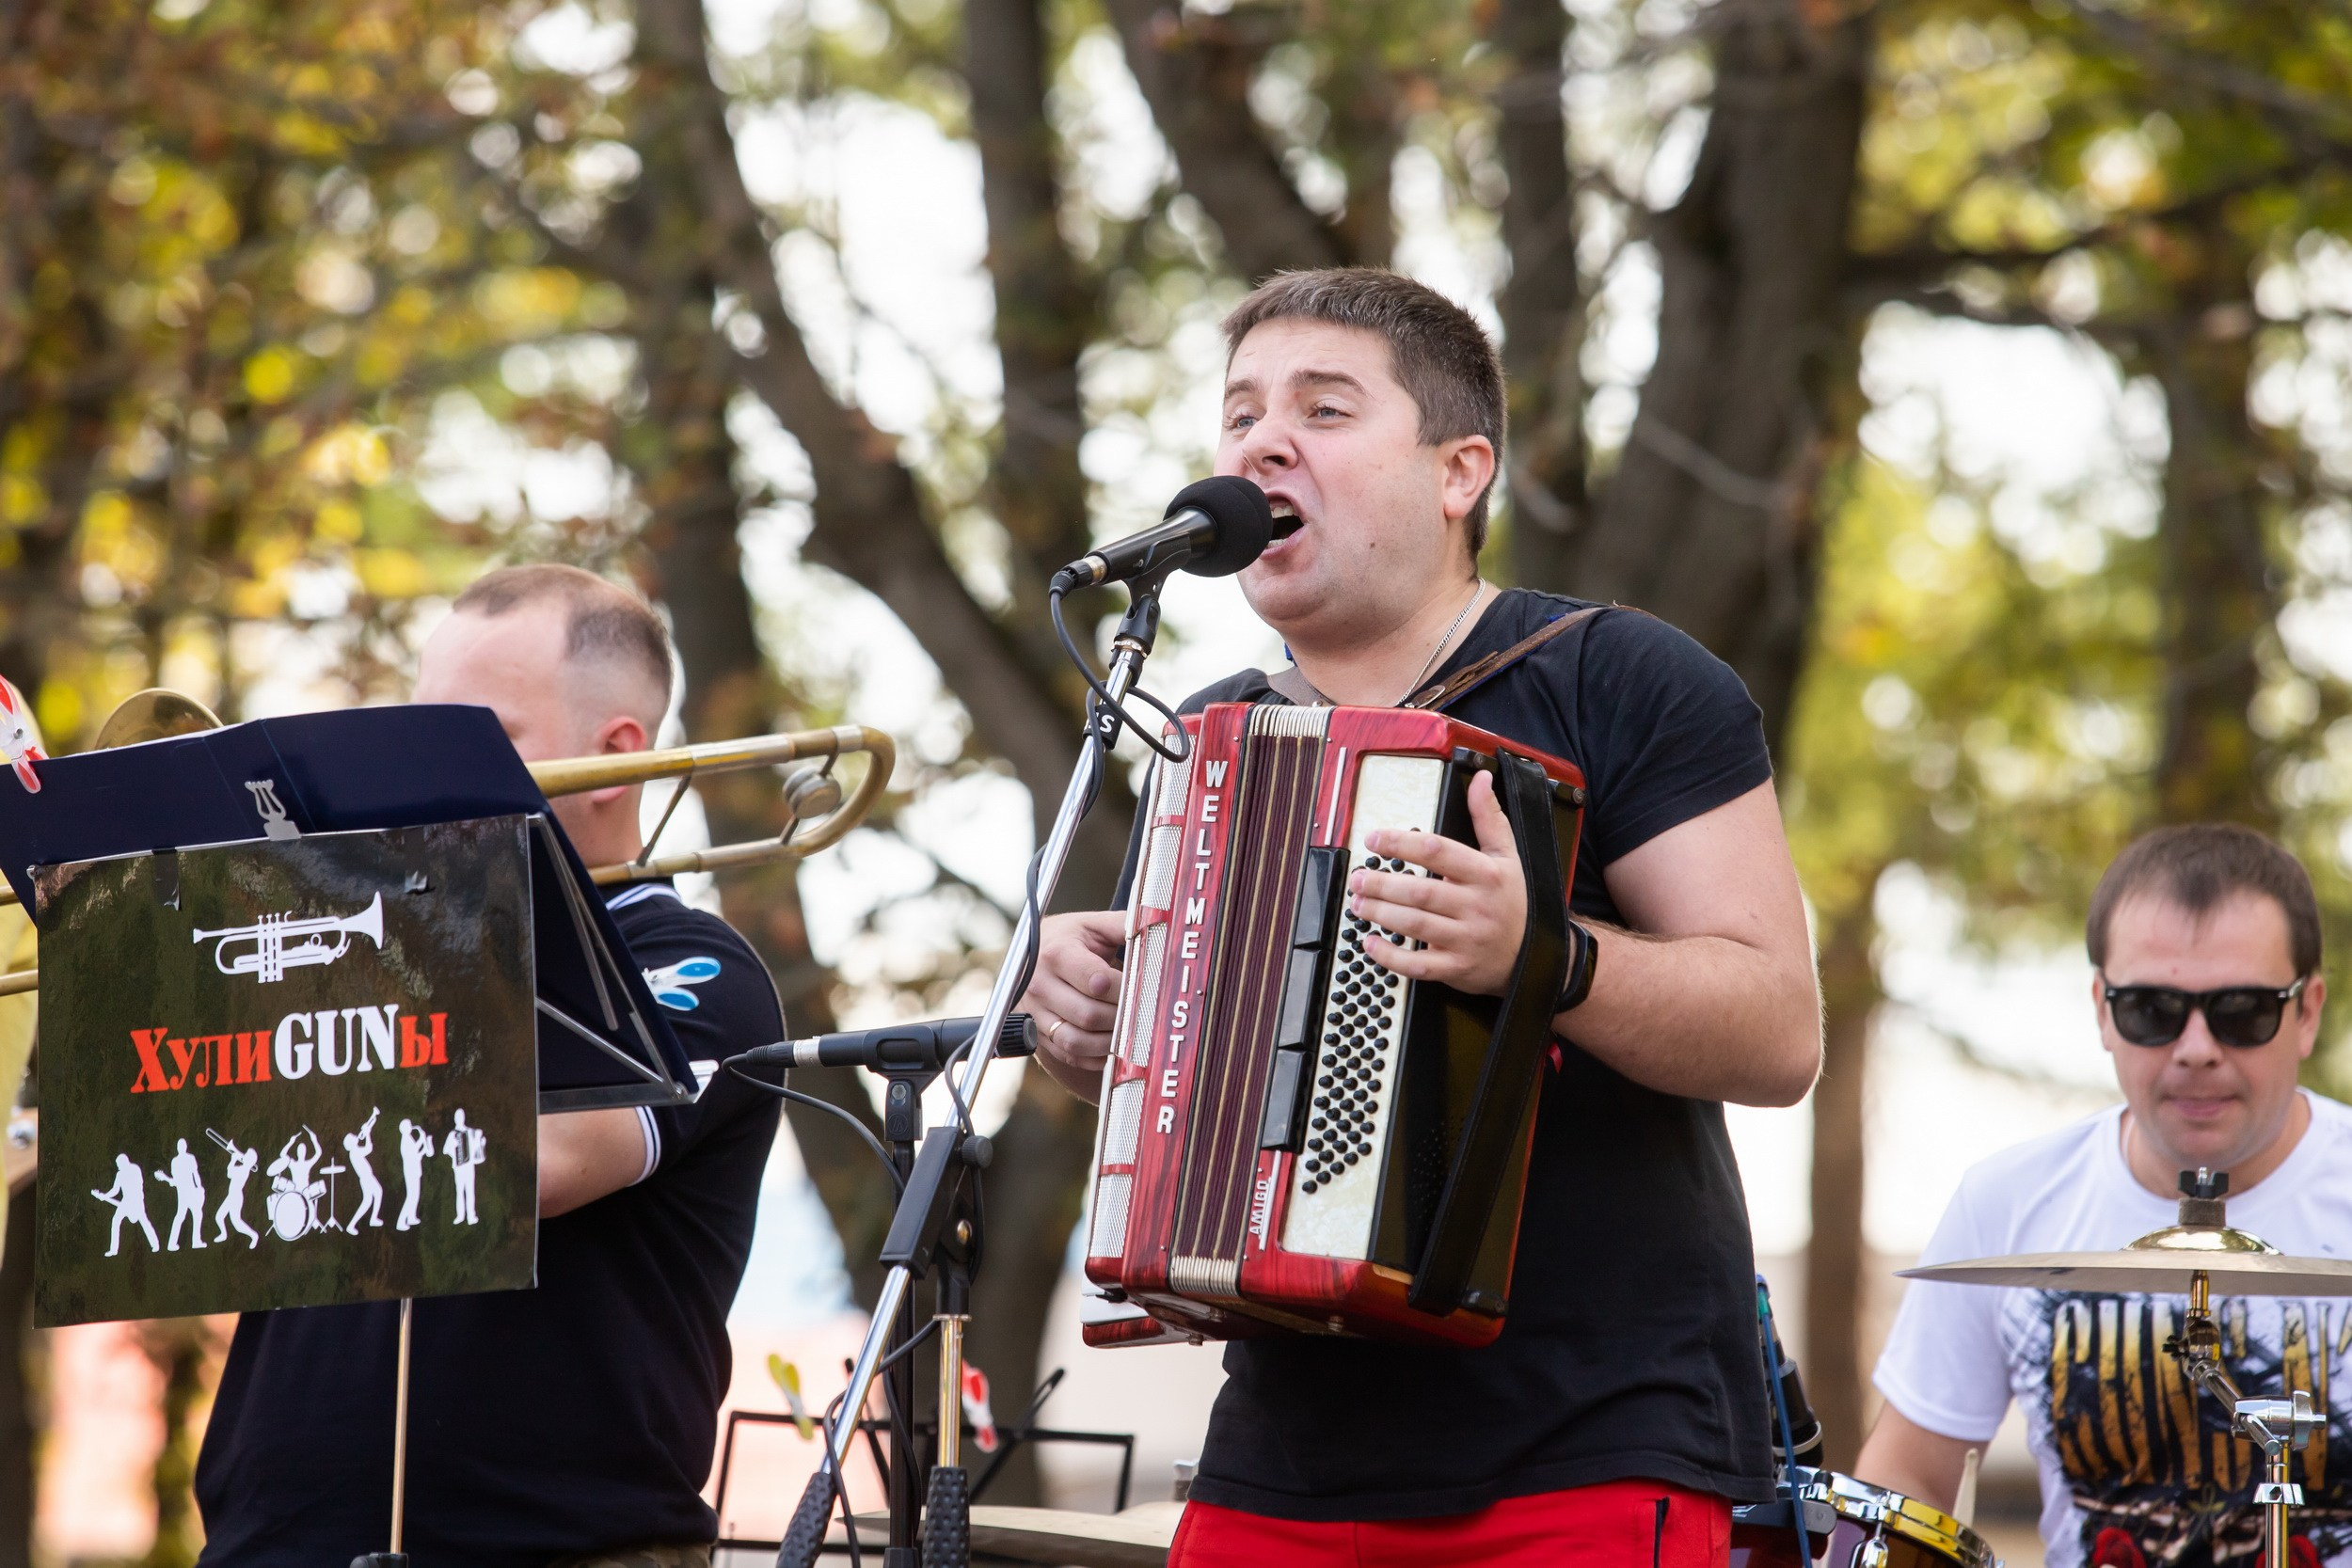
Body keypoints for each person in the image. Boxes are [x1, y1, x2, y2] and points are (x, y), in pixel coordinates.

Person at [1020, 269, 1822, 1567]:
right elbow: (1196, 1089)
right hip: (1282, 1447)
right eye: (1240, 415)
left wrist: (1543, 959)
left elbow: (1778, 1030)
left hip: (1591, 1448)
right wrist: (1089, 1033)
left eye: (1324, 409)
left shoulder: (1621, 674)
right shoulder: (1210, 735)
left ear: (1459, 473)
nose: (1261, 442)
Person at [195, 565, 788, 1568]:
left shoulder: (696, 969)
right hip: (268, 1540)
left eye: (474, 732)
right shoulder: (370, 956)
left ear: (612, 763)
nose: (416, 768)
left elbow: (537, 1159)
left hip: (556, 1545)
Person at [1859, 824, 2352, 1568]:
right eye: (2151, 1008)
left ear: (2307, 1010)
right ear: (2100, 1008)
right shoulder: (2007, 1203)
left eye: (2242, 1009)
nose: (2195, 1046)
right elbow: (1905, 1481)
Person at [94, 1153, 160, 1257]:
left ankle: (155, 1245)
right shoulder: (119, 1174)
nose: (118, 1167)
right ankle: (113, 1250)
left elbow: (139, 1185)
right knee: (115, 1221)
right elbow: (115, 1190)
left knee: (144, 1221)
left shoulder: (135, 1169)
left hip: (136, 1201)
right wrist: (105, 1196)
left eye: (119, 1164)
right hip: (125, 1202)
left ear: (123, 1162)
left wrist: (132, 1203)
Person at [157, 1137, 207, 1251]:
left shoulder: (188, 1159)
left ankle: (193, 1241)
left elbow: (195, 1174)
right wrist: (166, 1178)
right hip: (184, 1193)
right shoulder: (176, 1161)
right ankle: (177, 1243)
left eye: (182, 1146)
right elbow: (177, 1180)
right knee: (185, 1216)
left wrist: (199, 1187)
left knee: (193, 1215)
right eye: (180, 1146)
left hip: (189, 1192)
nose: (182, 1148)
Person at [343, 1108, 385, 1230]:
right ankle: (366, 1221)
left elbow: (368, 1149)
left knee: (372, 1198)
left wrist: (368, 1131)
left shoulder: (354, 1151)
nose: (356, 1136)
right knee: (375, 1195)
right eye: (353, 1137)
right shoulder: (354, 1152)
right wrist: (367, 1134)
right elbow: (369, 1149)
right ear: (351, 1144)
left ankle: (366, 1221)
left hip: (367, 1177)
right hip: (366, 1178)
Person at [442, 1108, 485, 1225]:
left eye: (461, 1117)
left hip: (469, 1166)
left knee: (470, 1191)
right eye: (457, 1117)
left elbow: (476, 1148)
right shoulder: (452, 1134)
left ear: (463, 1118)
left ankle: (471, 1216)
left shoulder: (471, 1132)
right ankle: (460, 1215)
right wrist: (453, 1146)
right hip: (458, 1167)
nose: (459, 1119)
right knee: (459, 1191)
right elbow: (445, 1150)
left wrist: (479, 1140)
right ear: (455, 1119)